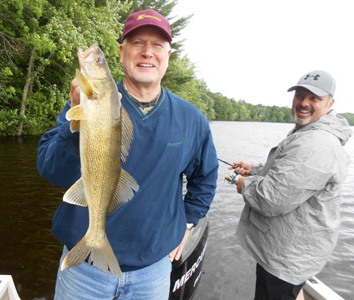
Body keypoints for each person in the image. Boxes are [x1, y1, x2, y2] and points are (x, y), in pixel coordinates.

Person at [37, 9, 218, 300]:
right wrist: (75, 125)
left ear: (168, 54)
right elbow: (50, 168)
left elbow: (205, 179)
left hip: (153, 270)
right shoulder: (86, 103)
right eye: (137, 43)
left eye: (157, 45)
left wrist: (187, 223)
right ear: (121, 53)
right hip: (83, 269)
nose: (147, 52)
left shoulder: (192, 119)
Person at [231, 70, 352, 300]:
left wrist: (243, 184)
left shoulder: (317, 142)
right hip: (285, 251)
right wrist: (255, 169)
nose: (304, 103)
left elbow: (271, 199)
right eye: (299, 95)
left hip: (288, 258)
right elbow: (288, 172)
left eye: (314, 98)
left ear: (330, 103)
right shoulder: (309, 132)